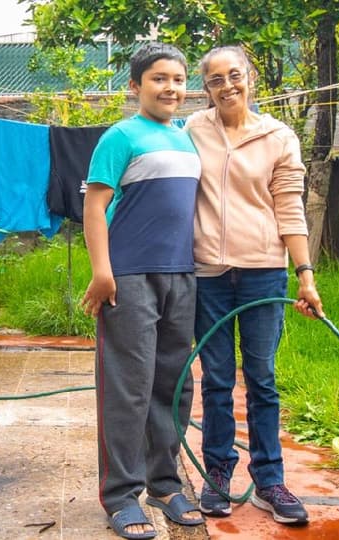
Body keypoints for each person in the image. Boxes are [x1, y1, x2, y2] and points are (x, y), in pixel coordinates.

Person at [184, 44, 324, 526]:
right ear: (205, 88)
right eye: (216, 79)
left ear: (251, 78)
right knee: (218, 379)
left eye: (235, 75)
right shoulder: (192, 132)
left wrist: (305, 275)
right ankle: (218, 474)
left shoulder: (278, 136)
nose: (227, 86)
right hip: (208, 275)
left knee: (261, 377)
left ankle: (269, 480)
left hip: (264, 270)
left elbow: (289, 207)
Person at [80, 42, 204, 540]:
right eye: (158, 78)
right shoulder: (120, 136)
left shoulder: (186, 138)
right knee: (128, 388)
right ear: (134, 86)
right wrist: (102, 270)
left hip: (182, 275)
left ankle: (166, 484)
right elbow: (94, 205)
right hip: (129, 277)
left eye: (177, 78)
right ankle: (120, 496)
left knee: (174, 384)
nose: (170, 87)